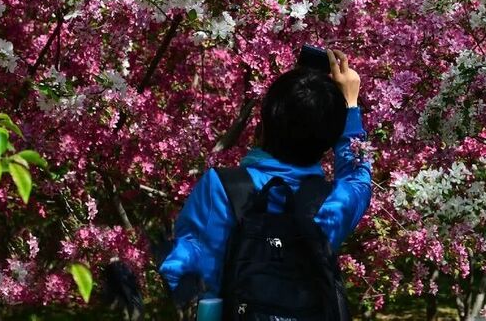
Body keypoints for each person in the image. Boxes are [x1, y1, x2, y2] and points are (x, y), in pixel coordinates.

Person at [159, 48, 371, 306]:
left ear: (264, 120)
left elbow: (185, 267)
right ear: (329, 139)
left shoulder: (223, 187)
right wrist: (349, 107)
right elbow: (357, 176)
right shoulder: (332, 204)